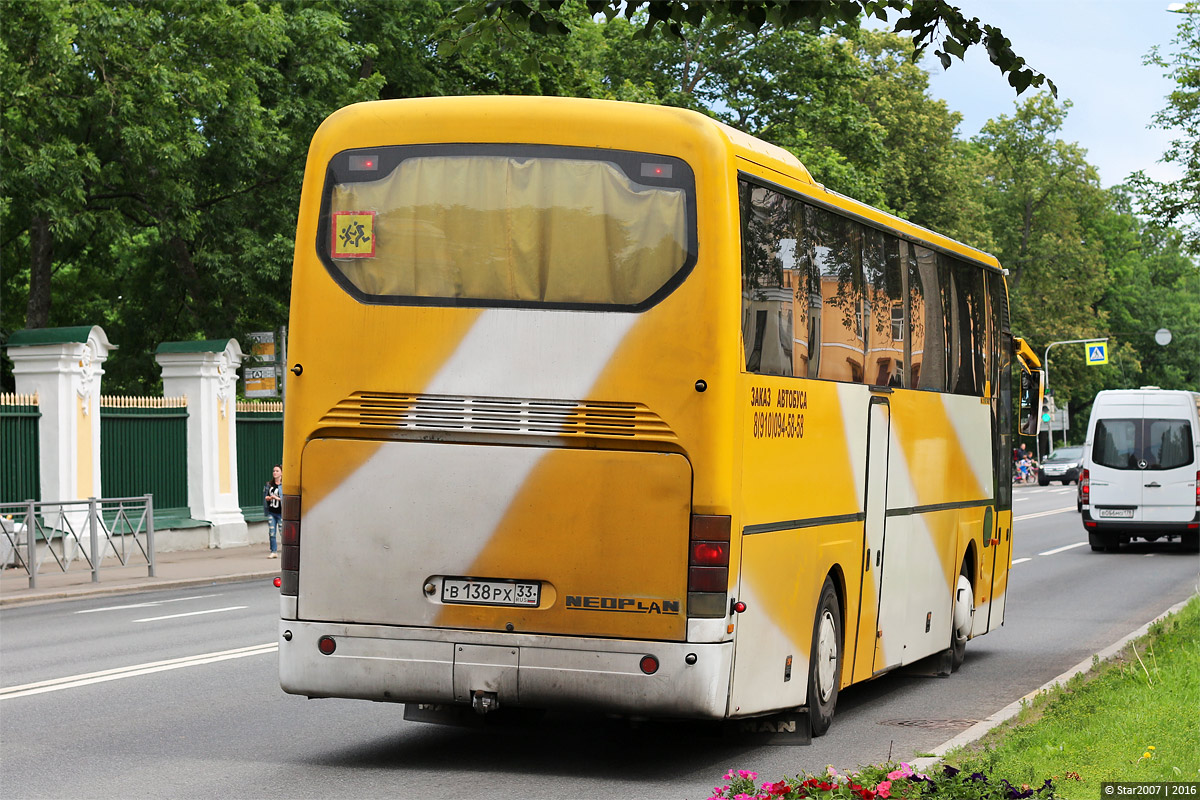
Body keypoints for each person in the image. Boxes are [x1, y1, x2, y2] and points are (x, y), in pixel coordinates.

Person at [263, 465, 282, 558]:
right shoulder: (269, 485)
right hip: (272, 512)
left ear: (281, 473)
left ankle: (287, 550)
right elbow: (265, 496)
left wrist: (277, 498)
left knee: (283, 532)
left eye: (277, 471)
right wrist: (267, 498)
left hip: (281, 513)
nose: (275, 473)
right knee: (272, 532)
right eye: (274, 471)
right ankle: (273, 551)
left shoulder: (283, 485)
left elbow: (286, 499)